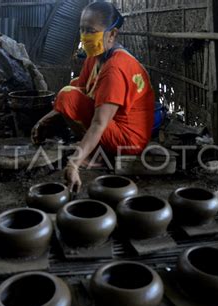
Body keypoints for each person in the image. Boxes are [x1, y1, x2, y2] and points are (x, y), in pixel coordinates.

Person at [31, 1, 155, 192]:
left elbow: (99, 123)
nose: (84, 36)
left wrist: (73, 164)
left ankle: (96, 154)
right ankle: (92, 148)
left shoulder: (116, 68)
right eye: (82, 29)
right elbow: (80, 88)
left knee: (67, 96)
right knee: (72, 87)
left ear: (112, 34)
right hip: (115, 125)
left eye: (91, 30)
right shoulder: (95, 55)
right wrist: (44, 120)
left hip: (130, 139)